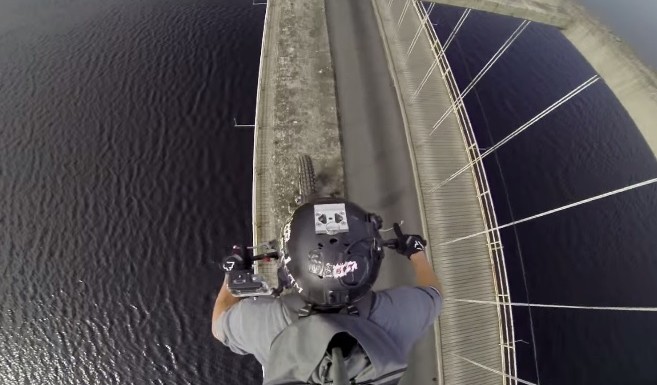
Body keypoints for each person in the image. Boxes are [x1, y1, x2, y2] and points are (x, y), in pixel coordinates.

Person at [211, 199, 443, 385]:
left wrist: (232, 271)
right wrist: (416, 252)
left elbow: (218, 324)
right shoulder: (398, 315)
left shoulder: (263, 323)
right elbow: (434, 294)